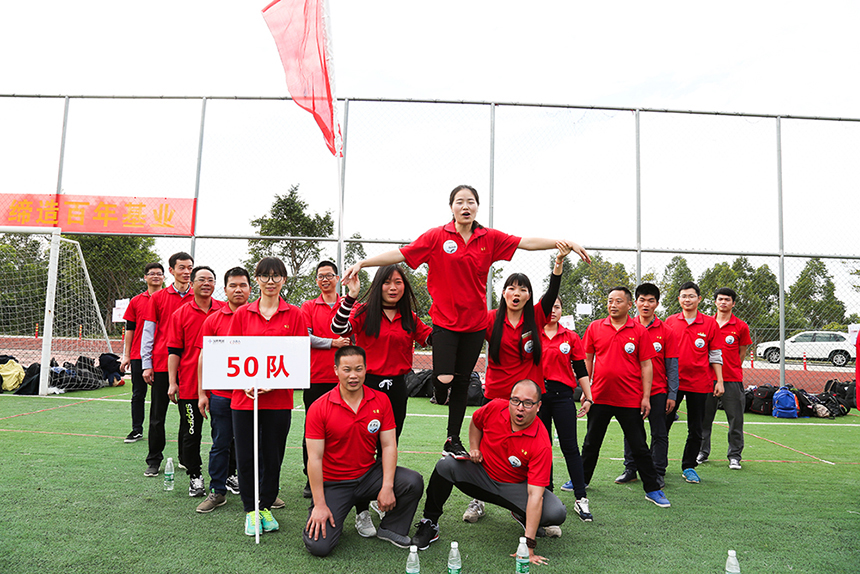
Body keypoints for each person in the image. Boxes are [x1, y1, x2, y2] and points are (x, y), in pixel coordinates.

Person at [342, 184, 590, 461]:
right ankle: (439, 390)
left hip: (475, 325)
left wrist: (562, 243)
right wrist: (363, 263)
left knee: (462, 383)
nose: (465, 206)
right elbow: (402, 253)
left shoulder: (488, 238)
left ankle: (452, 438)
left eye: (471, 202)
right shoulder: (436, 236)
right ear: (451, 207)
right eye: (459, 201)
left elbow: (525, 242)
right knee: (444, 378)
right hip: (445, 322)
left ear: (477, 207)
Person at [462, 244, 569, 523]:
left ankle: (533, 503)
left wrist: (558, 263)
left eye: (523, 289)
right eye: (511, 288)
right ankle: (478, 499)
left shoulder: (536, 317)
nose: (517, 293)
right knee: (487, 448)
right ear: (503, 293)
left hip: (529, 400)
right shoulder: (490, 320)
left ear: (529, 296)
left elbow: (552, 293)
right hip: (497, 395)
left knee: (537, 449)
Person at [410, 379, 567, 567]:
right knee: (446, 464)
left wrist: (529, 546)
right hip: (481, 476)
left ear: (538, 406)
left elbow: (535, 495)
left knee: (555, 512)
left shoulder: (541, 442)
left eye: (527, 403)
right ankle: (430, 522)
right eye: (515, 401)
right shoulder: (495, 407)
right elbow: (476, 423)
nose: (520, 408)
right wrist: (474, 447)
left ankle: (521, 514)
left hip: (513, 488)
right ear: (509, 399)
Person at [303, 346, 424, 556]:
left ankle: (391, 528)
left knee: (412, 482)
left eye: (358, 369)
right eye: (347, 369)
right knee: (319, 546)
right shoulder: (319, 407)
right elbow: (314, 458)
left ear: (366, 369)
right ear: (336, 370)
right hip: (334, 483)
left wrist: (387, 486)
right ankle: (332, 512)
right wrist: (320, 504)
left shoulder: (381, 400)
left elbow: (388, 445)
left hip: (368, 476)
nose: (353, 375)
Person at [228, 257, 307, 536]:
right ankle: (250, 509)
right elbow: (232, 355)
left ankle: (265, 506)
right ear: (257, 280)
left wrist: (274, 383)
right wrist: (244, 383)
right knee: (246, 455)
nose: (270, 281)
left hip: (278, 400)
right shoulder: (242, 314)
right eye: (264, 276)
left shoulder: (295, 315)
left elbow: (299, 358)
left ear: (284, 279)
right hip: (244, 400)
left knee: (273, 456)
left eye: (276, 276)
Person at [580, 286, 670, 508]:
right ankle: (581, 481)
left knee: (639, 446)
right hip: (599, 397)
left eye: (618, 301)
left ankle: (652, 489)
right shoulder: (594, 327)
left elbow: (646, 365)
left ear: (629, 305)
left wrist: (646, 397)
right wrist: (586, 391)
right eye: (610, 300)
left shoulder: (639, 331)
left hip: (629, 399)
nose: (613, 305)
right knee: (591, 442)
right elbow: (587, 359)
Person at [332, 264, 432, 441]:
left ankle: (387, 461)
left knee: (391, 438)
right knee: (362, 438)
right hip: (367, 385)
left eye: (398, 282)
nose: (393, 287)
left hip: (398, 387)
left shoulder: (409, 317)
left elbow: (432, 339)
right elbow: (338, 328)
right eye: (387, 282)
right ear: (378, 285)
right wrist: (352, 295)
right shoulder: (364, 312)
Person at [194, 267, 253, 513]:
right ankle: (217, 491)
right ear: (225, 289)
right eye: (233, 285)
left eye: (243, 285)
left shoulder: (260, 316)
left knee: (255, 445)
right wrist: (202, 393)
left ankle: (261, 493)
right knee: (220, 444)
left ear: (250, 288)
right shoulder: (213, 320)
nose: (238, 290)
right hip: (222, 395)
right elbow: (203, 357)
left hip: (252, 396)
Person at [166, 266, 224, 497]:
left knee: (225, 434)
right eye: (201, 279)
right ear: (192, 283)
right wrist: (172, 382)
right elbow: (174, 351)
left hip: (222, 384)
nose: (206, 283)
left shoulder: (225, 310)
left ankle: (228, 474)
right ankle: (195, 476)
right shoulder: (180, 314)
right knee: (191, 433)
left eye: (211, 280)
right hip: (190, 384)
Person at [615, 283, 679, 489]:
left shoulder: (667, 331)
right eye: (642, 300)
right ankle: (630, 469)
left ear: (657, 304)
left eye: (651, 301)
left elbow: (672, 366)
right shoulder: (627, 327)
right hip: (632, 391)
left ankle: (658, 472)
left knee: (659, 433)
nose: (646, 304)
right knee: (631, 431)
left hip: (658, 391)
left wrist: (672, 394)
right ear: (635, 303)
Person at [539, 295, 594, 522]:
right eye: (548, 307)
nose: (552, 311)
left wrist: (588, 397)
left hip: (563, 397)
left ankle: (581, 498)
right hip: (537, 398)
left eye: (557, 307)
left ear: (562, 310)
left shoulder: (570, 337)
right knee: (543, 447)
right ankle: (546, 494)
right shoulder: (531, 334)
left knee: (570, 447)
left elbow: (581, 369)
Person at [664, 281, 724, 484]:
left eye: (691, 296)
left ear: (699, 299)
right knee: (663, 425)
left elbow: (715, 354)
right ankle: (658, 464)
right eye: (684, 296)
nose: (687, 299)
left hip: (700, 383)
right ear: (678, 299)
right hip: (673, 384)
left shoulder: (710, 323)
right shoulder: (670, 322)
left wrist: (719, 381)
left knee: (696, 428)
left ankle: (689, 466)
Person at [300, 261, 351, 498]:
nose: (325, 280)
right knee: (312, 431)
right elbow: (305, 337)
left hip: (345, 380)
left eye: (329, 275)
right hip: (316, 377)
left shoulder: (349, 305)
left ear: (338, 278)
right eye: (320, 276)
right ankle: (311, 478)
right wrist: (333, 342)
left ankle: (342, 477)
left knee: (344, 430)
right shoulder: (308, 306)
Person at [140, 252, 194, 477]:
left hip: (189, 366)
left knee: (188, 416)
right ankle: (154, 460)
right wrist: (146, 363)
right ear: (171, 271)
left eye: (190, 267)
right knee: (157, 416)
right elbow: (148, 332)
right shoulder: (158, 298)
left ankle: (185, 458)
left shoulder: (198, 296)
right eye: (182, 267)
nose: (187, 272)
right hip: (162, 364)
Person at [698, 287, 751, 470]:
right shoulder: (706, 324)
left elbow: (742, 353)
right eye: (720, 299)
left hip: (732, 379)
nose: (723, 302)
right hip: (707, 379)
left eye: (727, 299)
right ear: (715, 302)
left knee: (735, 420)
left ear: (733, 303)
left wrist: (731, 369)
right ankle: (702, 452)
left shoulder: (741, 326)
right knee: (704, 419)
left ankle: (734, 456)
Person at [119, 262, 164, 444]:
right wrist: (127, 355)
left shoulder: (168, 299)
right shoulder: (136, 301)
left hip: (162, 354)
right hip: (139, 355)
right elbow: (130, 329)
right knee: (138, 393)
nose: (156, 276)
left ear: (164, 277)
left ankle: (158, 430)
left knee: (161, 396)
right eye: (152, 273)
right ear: (145, 277)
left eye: (159, 273)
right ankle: (137, 429)